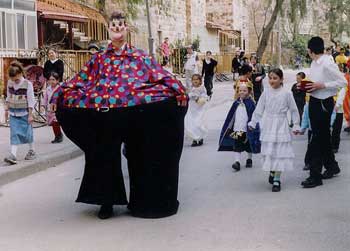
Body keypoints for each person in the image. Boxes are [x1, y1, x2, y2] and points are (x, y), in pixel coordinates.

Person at [50, 11, 188, 220]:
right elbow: (80, 80)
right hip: (106, 116)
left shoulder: (139, 56)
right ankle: (107, 201)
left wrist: (179, 91)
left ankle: (146, 201)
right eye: (113, 25)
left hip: (135, 115)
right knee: (104, 154)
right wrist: (57, 95)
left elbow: (161, 75)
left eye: (121, 25)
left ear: (126, 29)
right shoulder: (99, 59)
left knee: (142, 152)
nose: (117, 28)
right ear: (108, 30)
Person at [300, 36, 346, 188]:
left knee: (316, 139)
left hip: (323, 104)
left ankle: (315, 176)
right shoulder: (314, 62)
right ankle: (332, 166)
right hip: (313, 101)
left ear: (310, 50)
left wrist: (322, 85)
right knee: (324, 136)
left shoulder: (327, 63)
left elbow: (343, 82)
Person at [248, 68, 300, 192]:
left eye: (275, 78)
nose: (272, 80)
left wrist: (296, 124)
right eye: (270, 78)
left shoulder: (287, 94)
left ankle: (277, 179)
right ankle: (272, 170)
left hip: (281, 125)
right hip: (269, 124)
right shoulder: (266, 93)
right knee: (270, 151)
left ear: (281, 79)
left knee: (280, 153)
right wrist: (253, 122)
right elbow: (259, 109)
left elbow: (293, 110)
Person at [218, 84, 261, 171]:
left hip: (248, 129)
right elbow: (231, 117)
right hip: (237, 129)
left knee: (249, 146)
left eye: (244, 91)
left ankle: (249, 159)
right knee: (237, 145)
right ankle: (237, 162)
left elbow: (254, 116)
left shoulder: (251, 103)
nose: (242, 92)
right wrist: (229, 128)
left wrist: (253, 126)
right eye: (240, 90)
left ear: (249, 92)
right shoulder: (236, 103)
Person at [4, 61, 36, 165]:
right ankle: (13, 155)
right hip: (13, 113)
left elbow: (31, 100)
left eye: (16, 79)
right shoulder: (10, 83)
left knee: (28, 133)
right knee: (14, 134)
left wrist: (31, 115)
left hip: (25, 114)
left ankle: (32, 151)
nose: (15, 81)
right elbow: (8, 96)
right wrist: (6, 110)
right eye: (13, 80)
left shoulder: (28, 84)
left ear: (21, 73)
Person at [300, 94, 336, 171]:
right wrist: (303, 128)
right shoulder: (307, 105)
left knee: (323, 145)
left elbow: (332, 114)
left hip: (323, 127)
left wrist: (329, 124)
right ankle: (309, 162)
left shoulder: (326, 100)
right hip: (311, 129)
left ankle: (330, 166)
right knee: (312, 146)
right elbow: (305, 117)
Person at [185, 74, 208, 147]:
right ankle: (194, 139)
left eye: (197, 79)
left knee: (199, 123)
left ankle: (200, 138)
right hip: (191, 109)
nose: (195, 81)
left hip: (199, 109)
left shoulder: (202, 88)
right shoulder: (190, 88)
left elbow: (205, 97)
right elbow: (187, 95)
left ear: (200, 81)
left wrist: (198, 98)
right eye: (193, 79)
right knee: (192, 124)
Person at [41, 72, 63, 144]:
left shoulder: (60, 89)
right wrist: (43, 106)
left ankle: (58, 136)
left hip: (58, 109)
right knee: (53, 124)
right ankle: (58, 134)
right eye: (50, 80)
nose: (51, 81)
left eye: (53, 79)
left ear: (57, 80)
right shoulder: (48, 89)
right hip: (50, 109)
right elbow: (45, 99)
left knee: (55, 122)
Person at [331, 86, 346, 153]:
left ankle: (335, 146)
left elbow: (341, 97)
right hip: (330, 110)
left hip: (338, 111)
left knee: (336, 129)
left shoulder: (342, 87)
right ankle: (330, 145)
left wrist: (337, 105)